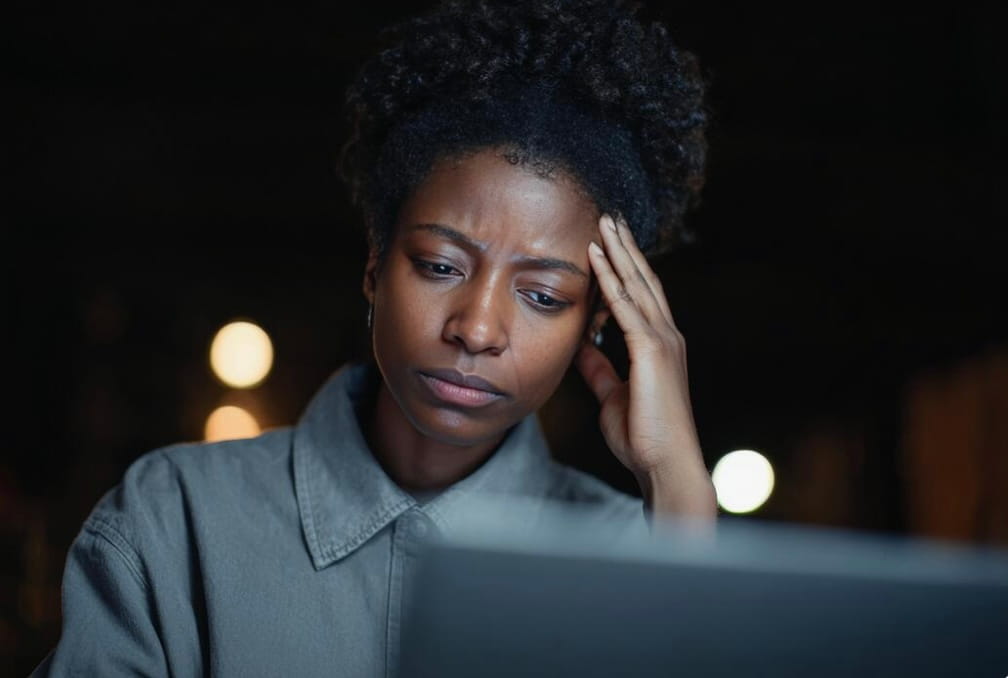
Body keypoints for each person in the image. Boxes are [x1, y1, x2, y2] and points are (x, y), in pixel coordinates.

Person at [33, 0, 716, 674]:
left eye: (544, 296)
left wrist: (680, 495)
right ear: (374, 265)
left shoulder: (644, 555)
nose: (476, 329)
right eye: (440, 265)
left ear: (596, 321)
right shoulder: (176, 520)